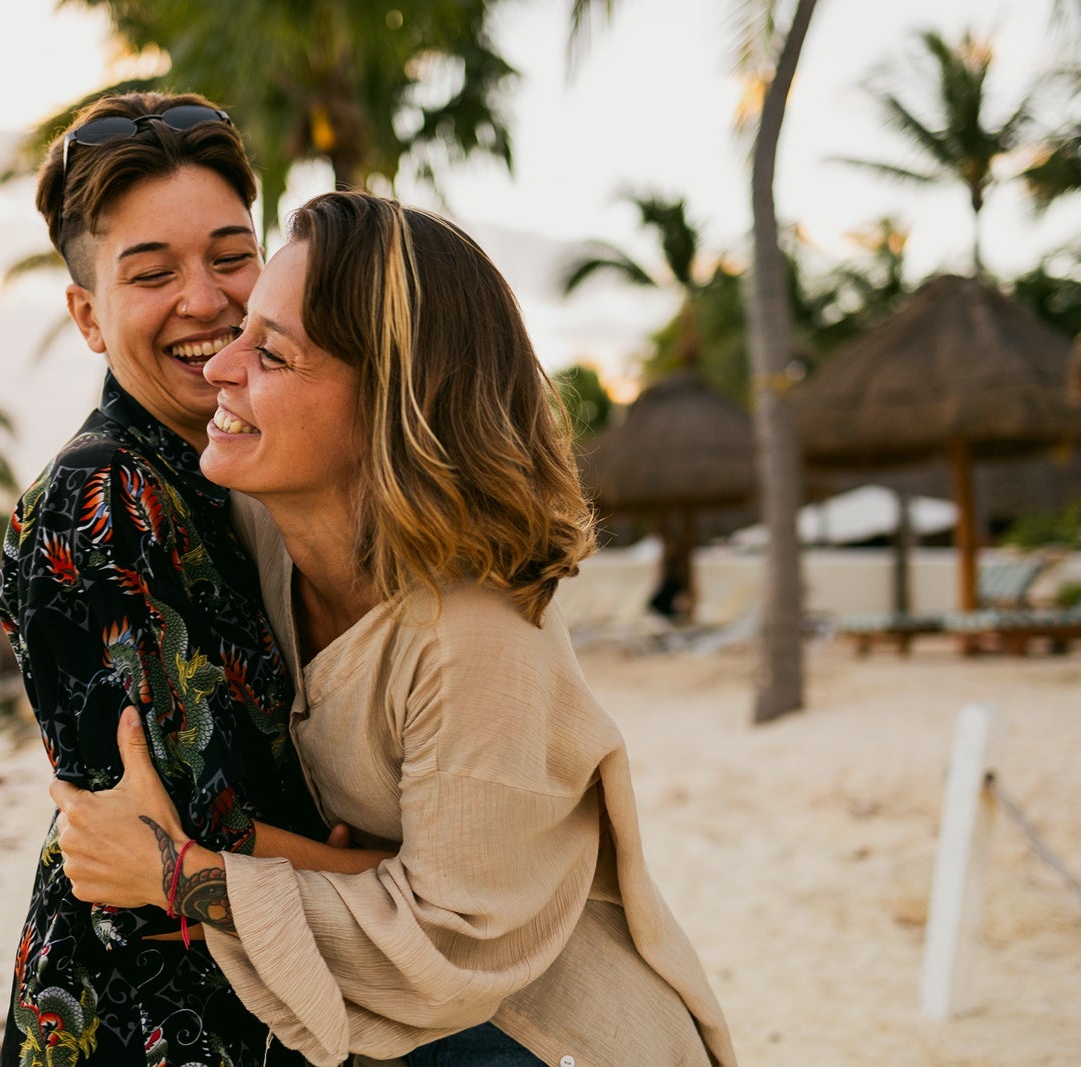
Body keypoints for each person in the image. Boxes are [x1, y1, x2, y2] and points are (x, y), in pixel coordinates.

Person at [50, 191, 739, 1067]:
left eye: (272, 352)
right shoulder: (252, 532)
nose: (223, 365)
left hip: (540, 1036)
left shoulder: (477, 637)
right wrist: (350, 870)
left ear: (388, 402)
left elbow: (448, 948)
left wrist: (178, 875)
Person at [0, 91, 380, 1067]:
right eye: (151, 272)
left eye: (229, 254)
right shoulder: (104, 498)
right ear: (87, 314)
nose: (205, 300)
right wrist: (407, 878)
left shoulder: (237, 468)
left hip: (282, 989)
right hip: (155, 1018)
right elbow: (201, 833)